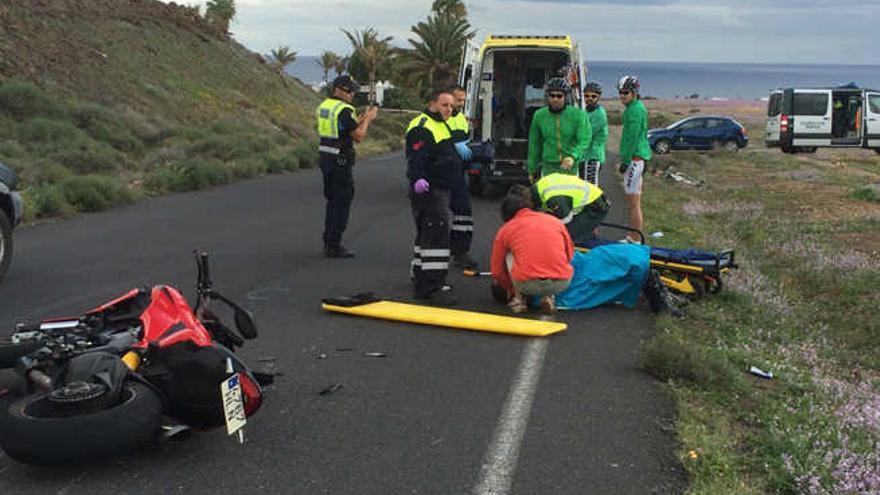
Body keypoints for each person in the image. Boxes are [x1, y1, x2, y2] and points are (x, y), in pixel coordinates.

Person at [406, 89, 462, 305]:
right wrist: (418, 178)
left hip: (440, 188)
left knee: (426, 237)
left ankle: (423, 279)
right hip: (429, 190)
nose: (449, 109)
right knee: (436, 238)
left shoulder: (439, 123)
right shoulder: (422, 126)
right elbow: (416, 155)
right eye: (444, 105)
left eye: (451, 105)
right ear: (432, 103)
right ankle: (431, 288)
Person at [315, 75, 378, 258]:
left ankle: (329, 240)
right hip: (340, 161)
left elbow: (341, 128)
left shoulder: (325, 106)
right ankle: (334, 244)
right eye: (350, 91)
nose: (352, 95)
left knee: (332, 201)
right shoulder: (344, 109)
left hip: (326, 157)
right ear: (339, 89)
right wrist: (368, 120)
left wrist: (358, 120)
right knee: (341, 202)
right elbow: (358, 136)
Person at [490, 185, 574, 314]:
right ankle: (548, 297)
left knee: (510, 254)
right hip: (561, 282)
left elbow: (497, 271)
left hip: (527, 284)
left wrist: (509, 288)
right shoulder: (554, 221)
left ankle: (519, 300)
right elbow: (569, 254)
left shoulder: (506, 229)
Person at [526, 77, 591, 181]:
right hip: (548, 168)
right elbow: (534, 145)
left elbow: (584, 140)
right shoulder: (539, 115)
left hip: (570, 168)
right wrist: (531, 169)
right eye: (552, 95)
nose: (555, 99)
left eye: (559, 96)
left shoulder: (579, 115)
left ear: (566, 97)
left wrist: (573, 156)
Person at [447, 85, 478, 270]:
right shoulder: (443, 118)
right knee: (438, 217)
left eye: (463, 101)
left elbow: (465, 140)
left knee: (464, 214)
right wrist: (454, 146)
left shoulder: (460, 118)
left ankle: (460, 252)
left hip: (458, 172)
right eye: (459, 100)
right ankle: (446, 250)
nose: (461, 104)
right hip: (443, 173)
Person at [617, 75, 651, 242]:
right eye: (620, 92)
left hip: (634, 160)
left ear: (634, 92)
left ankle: (634, 238)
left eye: (626, 92)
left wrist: (625, 161)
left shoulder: (635, 110)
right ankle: (633, 236)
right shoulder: (634, 108)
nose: (622, 96)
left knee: (633, 203)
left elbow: (632, 137)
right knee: (633, 201)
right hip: (637, 159)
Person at [531, 173, 610, 246]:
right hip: (590, 199)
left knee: (568, 238)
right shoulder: (540, 185)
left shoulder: (552, 198)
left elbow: (566, 219)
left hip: (595, 206)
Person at [582, 81, 608, 186]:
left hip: (592, 157)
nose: (590, 98)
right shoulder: (586, 112)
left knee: (590, 191)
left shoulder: (599, 114)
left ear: (599, 97)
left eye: (593, 96)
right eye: (587, 96)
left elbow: (585, 134)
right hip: (584, 157)